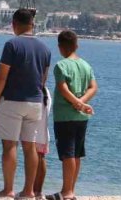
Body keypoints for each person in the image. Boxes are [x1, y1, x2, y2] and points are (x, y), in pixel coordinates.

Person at [0, 8, 52, 199]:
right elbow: (43, 79)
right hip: (35, 102)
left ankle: (8, 190)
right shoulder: (45, 49)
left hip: (12, 101)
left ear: (14, 24)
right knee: (30, 147)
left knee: (9, 146)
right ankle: (28, 192)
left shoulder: (11, 45)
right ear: (33, 25)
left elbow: (2, 76)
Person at [46, 30, 97, 200]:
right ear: (76, 45)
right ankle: (69, 190)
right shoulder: (86, 65)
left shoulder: (61, 66)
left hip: (65, 116)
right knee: (76, 153)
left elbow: (63, 89)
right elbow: (93, 87)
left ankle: (67, 192)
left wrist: (77, 104)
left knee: (67, 154)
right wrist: (82, 103)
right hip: (81, 117)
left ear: (60, 47)